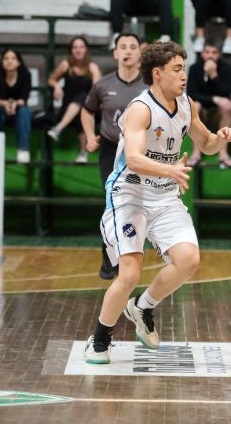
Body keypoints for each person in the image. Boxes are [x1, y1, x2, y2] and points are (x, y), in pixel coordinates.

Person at [84, 40, 231, 363]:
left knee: (188, 260)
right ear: (158, 74)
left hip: (163, 195)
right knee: (128, 274)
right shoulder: (140, 109)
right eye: (177, 69)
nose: (184, 75)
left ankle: (142, 308)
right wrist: (170, 169)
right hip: (129, 194)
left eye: (184, 68)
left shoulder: (185, 103)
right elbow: (134, 158)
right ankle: (100, 338)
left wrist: (220, 138)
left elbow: (205, 142)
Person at [81, 33, 147, 280]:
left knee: (138, 203)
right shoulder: (103, 85)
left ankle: (132, 255)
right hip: (111, 149)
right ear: (116, 53)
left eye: (133, 47)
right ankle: (109, 258)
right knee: (113, 201)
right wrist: (89, 136)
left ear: (140, 52)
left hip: (140, 151)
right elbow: (87, 111)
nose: (128, 51)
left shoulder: (149, 86)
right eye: (123, 47)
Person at [47, 36, 102, 163]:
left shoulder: (92, 67)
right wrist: (56, 86)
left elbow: (98, 88)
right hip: (67, 110)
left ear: (86, 49)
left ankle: (58, 129)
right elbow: (51, 79)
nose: (78, 50)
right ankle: (83, 153)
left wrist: (95, 82)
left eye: (81, 47)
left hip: (91, 110)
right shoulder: (65, 64)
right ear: (71, 50)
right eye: (75, 47)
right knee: (80, 111)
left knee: (84, 100)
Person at [186, 42, 231, 167]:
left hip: (217, 114)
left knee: (228, 105)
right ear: (202, 53)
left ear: (219, 55)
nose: (210, 56)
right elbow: (192, 94)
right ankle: (196, 153)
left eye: (214, 53)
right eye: (207, 52)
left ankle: (223, 153)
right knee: (194, 105)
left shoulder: (227, 69)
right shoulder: (194, 68)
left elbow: (226, 93)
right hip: (201, 112)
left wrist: (213, 75)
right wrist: (214, 99)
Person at [0, 48, 32, 164]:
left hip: (18, 111)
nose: (9, 61)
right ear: (2, 62)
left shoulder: (25, 75)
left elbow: (24, 98)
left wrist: (13, 105)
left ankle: (23, 149)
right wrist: (6, 104)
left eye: (13, 58)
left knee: (24, 111)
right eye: (6, 58)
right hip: (1, 111)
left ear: (19, 62)